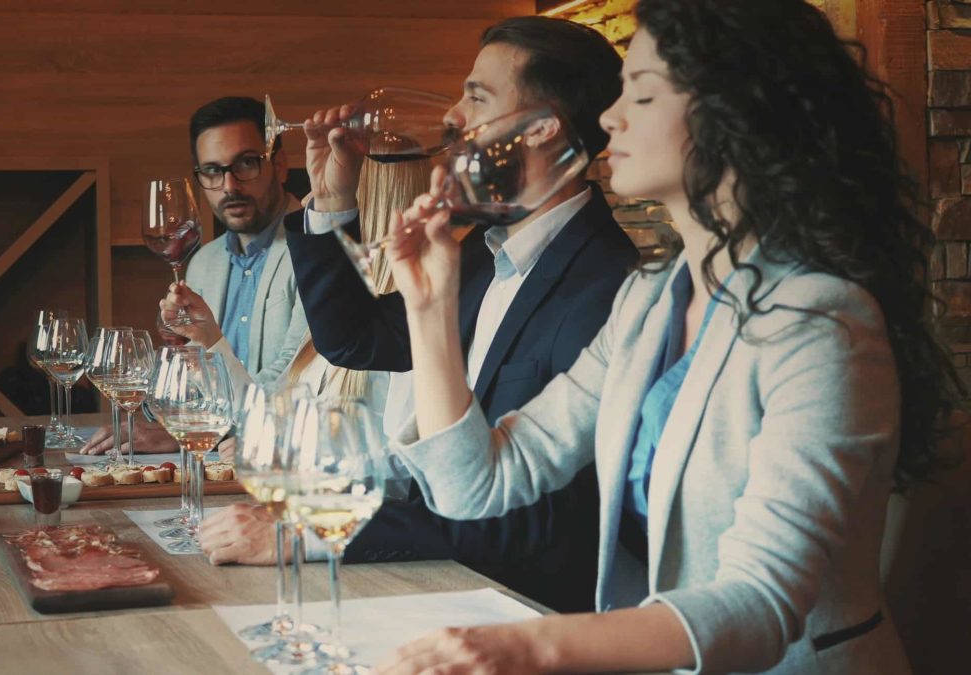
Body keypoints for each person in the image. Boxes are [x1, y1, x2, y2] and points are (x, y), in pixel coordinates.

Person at [377, 1, 963, 672]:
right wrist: (430, 307)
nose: (608, 117)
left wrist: (530, 643)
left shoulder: (822, 322)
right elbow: (478, 486)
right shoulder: (646, 302)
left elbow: (761, 601)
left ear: (730, 117)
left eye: (643, 93)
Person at [281, 16, 638, 613]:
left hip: (522, 613)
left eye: (477, 96)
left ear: (543, 127)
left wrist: (318, 531)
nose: (453, 116)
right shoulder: (477, 252)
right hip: (434, 586)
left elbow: (532, 523)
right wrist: (336, 200)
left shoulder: (607, 288)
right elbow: (356, 341)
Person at [166, 149, 432, 565]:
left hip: (359, 554)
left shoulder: (410, 332)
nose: (306, 215)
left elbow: (405, 479)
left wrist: (288, 458)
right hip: (305, 535)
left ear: (366, 226)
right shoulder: (332, 325)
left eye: (324, 211)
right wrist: (210, 339)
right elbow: (263, 414)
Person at [81, 96, 309, 456]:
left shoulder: (317, 253)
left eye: (246, 164)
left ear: (279, 165)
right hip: (213, 465)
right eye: (213, 171)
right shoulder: (204, 261)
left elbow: (292, 390)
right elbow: (194, 385)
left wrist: (189, 433)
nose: (229, 186)